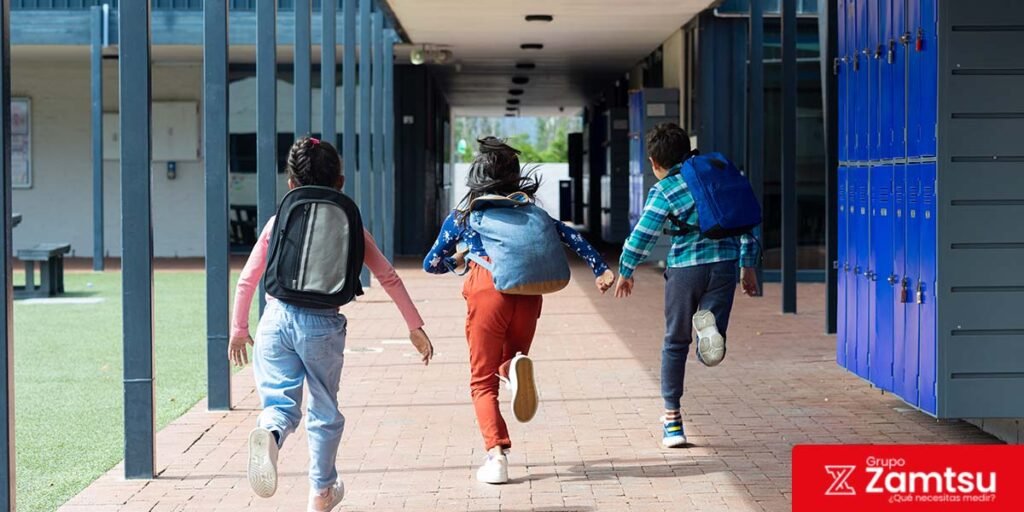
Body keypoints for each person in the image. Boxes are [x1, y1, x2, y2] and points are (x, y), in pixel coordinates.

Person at [229, 136, 434, 512]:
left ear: (291, 184)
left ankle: (271, 436)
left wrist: (239, 329)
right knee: (324, 408)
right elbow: (389, 276)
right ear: (340, 182)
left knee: (280, 404)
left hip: (275, 319)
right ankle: (321, 491)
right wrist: (414, 325)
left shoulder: (279, 220)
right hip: (322, 325)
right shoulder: (350, 223)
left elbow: (247, 279)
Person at [423, 137, 615, 484]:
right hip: (529, 292)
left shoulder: (466, 216)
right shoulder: (533, 212)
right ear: (516, 178)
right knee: (510, 358)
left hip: (487, 290)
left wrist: (459, 259)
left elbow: (430, 263)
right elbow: (571, 237)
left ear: (477, 179)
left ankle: (496, 457)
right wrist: (600, 268)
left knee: (482, 382)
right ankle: (513, 366)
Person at [614, 123, 759, 449]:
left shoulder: (665, 190)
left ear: (654, 162)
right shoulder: (719, 176)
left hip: (684, 271)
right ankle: (711, 326)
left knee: (675, 342)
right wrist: (747, 265)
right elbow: (746, 222)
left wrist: (626, 269)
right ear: (688, 150)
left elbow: (643, 235)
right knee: (712, 326)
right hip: (723, 264)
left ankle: (673, 421)